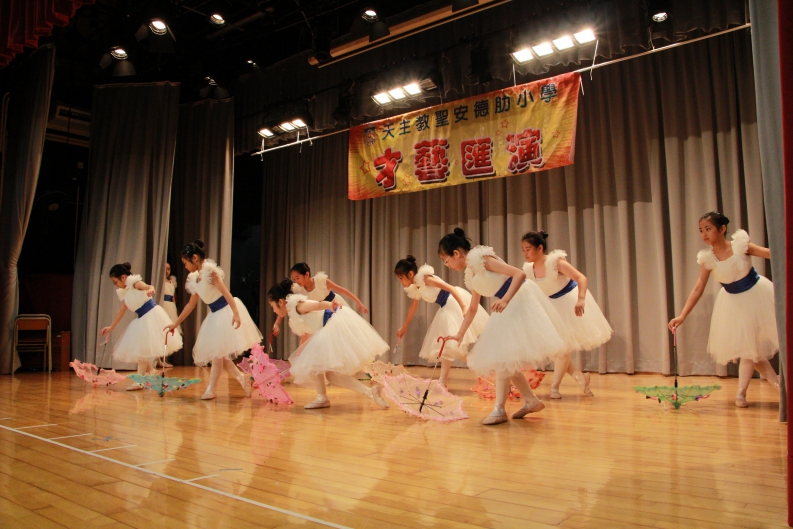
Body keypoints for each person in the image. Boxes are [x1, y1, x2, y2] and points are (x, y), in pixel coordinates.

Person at [439, 228, 568, 425]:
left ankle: (500, 409)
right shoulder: (471, 272)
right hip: (507, 306)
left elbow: (518, 274)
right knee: (506, 359)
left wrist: (506, 299)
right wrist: (459, 334)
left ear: (456, 253)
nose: (447, 266)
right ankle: (531, 400)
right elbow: (472, 309)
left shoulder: (483, 260)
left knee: (503, 359)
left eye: (446, 261)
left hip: (518, 301)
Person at [668, 212, 779, 408]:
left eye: (708, 229)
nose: (704, 234)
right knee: (751, 352)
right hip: (734, 305)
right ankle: (775, 388)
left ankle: (748, 392)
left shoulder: (741, 246)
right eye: (701, 230)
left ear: (722, 229)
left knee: (751, 351)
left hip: (757, 297)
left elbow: (773, 254)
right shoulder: (708, 259)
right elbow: (698, 288)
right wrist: (682, 315)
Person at [268, 279, 390, 410]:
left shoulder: (298, 306)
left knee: (313, 365)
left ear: (280, 302)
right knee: (331, 375)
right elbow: (307, 333)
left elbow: (317, 305)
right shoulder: (294, 312)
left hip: (332, 325)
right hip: (326, 328)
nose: (274, 310)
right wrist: (301, 353)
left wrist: (330, 305)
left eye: (272, 306)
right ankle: (369, 392)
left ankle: (322, 398)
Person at [165, 240, 262, 400]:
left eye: (185, 263)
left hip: (224, 312)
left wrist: (236, 313)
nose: (185, 266)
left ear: (195, 258)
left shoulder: (210, 272)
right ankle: (241, 379)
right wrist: (175, 323)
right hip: (215, 315)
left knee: (218, 355)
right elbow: (190, 305)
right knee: (220, 355)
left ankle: (211, 389)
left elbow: (226, 293)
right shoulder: (194, 278)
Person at [521, 231, 612, 398]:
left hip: (569, 303)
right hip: (551, 307)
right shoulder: (528, 269)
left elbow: (581, 278)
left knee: (563, 349)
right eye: (523, 250)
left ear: (540, 248)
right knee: (555, 350)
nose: (525, 253)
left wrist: (581, 299)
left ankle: (554, 387)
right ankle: (580, 377)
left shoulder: (556, 263)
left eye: (528, 249)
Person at [394, 255, 488, 387]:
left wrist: (463, 306)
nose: (401, 282)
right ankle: (443, 381)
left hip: (452, 302)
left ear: (410, 274)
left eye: (401, 278)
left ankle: (486, 372)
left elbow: (451, 288)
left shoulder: (425, 279)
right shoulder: (417, 286)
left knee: (454, 347)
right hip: (446, 306)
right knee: (447, 348)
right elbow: (412, 308)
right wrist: (404, 326)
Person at [101, 262, 183, 391]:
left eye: (115, 282)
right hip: (142, 318)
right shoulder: (126, 292)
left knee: (141, 352)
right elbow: (121, 311)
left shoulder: (134, 283)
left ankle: (139, 381)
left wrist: (150, 289)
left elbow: (147, 286)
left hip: (150, 315)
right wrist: (111, 327)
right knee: (141, 351)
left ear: (123, 277)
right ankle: (150, 372)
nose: (115, 285)